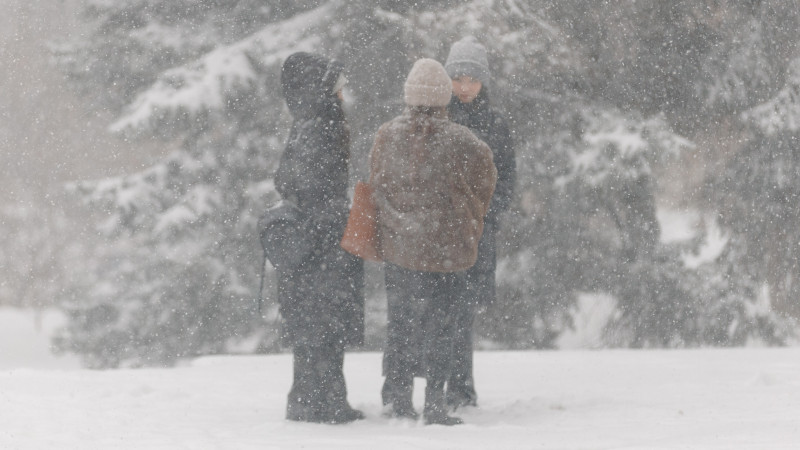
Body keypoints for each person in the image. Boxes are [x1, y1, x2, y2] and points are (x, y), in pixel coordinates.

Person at [369, 58, 497, 425]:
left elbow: (376, 185)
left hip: (399, 252)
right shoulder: (462, 140)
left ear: (408, 95)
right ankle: (435, 402)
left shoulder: (386, 134)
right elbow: (486, 181)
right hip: (446, 253)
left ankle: (402, 399)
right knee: (443, 327)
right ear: (444, 98)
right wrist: (468, 217)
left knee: (402, 324)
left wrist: (397, 223)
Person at [274, 51, 365, 424]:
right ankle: (329, 401)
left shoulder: (304, 123)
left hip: (306, 243)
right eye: (338, 86)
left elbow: (283, 179)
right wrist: (332, 214)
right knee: (328, 322)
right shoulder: (324, 123)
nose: (343, 93)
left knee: (310, 322)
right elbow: (312, 183)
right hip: (325, 242)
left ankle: (305, 398)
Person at [443, 36, 517, 410]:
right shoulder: (438, 116)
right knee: (443, 309)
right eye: (458, 78)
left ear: (483, 80)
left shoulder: (495, 124)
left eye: (472, 78)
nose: (466, 86)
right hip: (439, 234)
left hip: (476, 234)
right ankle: (444, 387)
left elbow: (506, 180)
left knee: (463, 311)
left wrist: (487, 217)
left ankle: (460, 387)